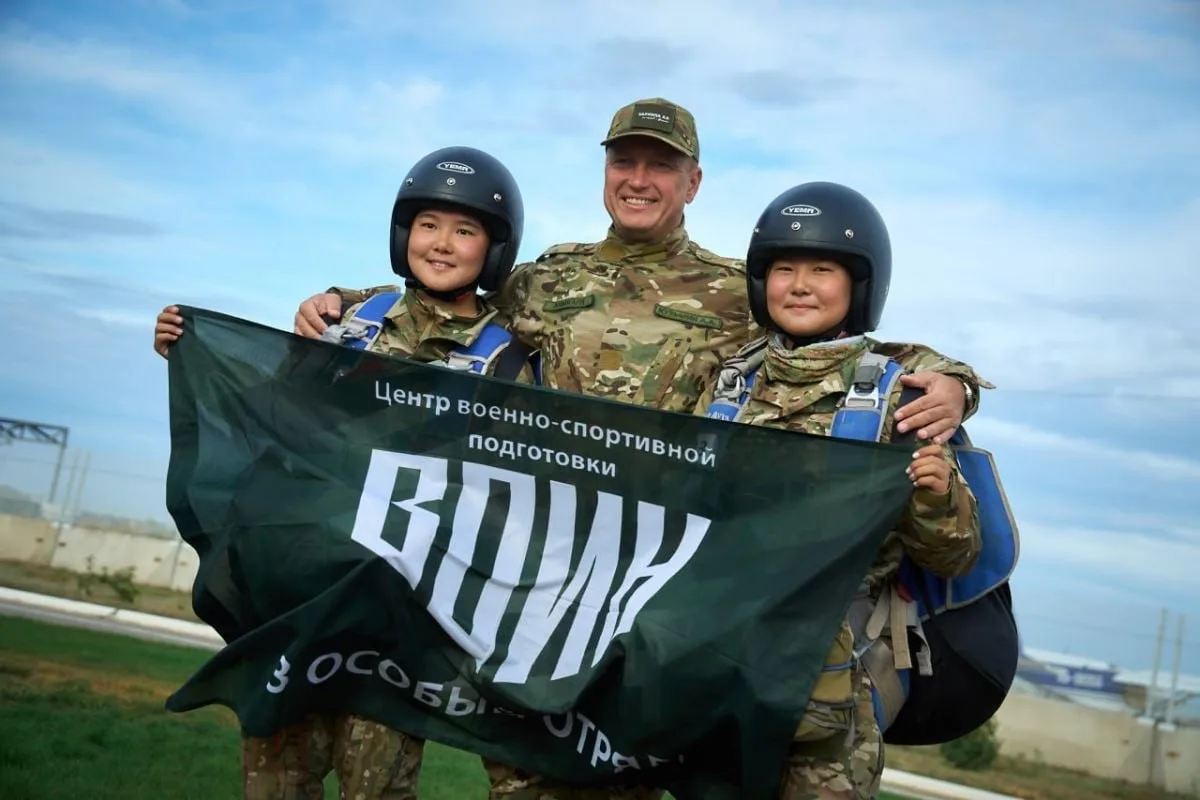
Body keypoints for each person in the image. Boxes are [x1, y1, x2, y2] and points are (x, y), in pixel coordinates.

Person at [286, 99, 980, 799]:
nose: (639, 178)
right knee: (529, 772)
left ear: (693, 182)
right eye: (625, 161)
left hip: (648, 585)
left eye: (661, 166)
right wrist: (342, 301)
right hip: (547, 574)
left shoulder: (737, 291)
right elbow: (447, 303)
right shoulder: (544, 279)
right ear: (606, 170)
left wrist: (955, 382)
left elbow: (835, 346)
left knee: (622, 775)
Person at [153, 144, 531, 800]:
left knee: (376, 790)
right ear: (403, 233)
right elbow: (274, 417)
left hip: (399, 625)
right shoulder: (348, 325)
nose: (442, 244)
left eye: (465, 231)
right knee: (275, 783)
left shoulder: (506, 361)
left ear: (494, 250)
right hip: (300, 600)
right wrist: (192, 352)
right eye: (428, 224)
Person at [698, 180, 986, 799]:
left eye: (822, 270)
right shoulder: (729, 388)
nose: (800, 285)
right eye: (784, 269)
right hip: (718, 673)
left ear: (860, 284)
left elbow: (953, 555)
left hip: (831, 699)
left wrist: (935, 496)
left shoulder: (895, 398)